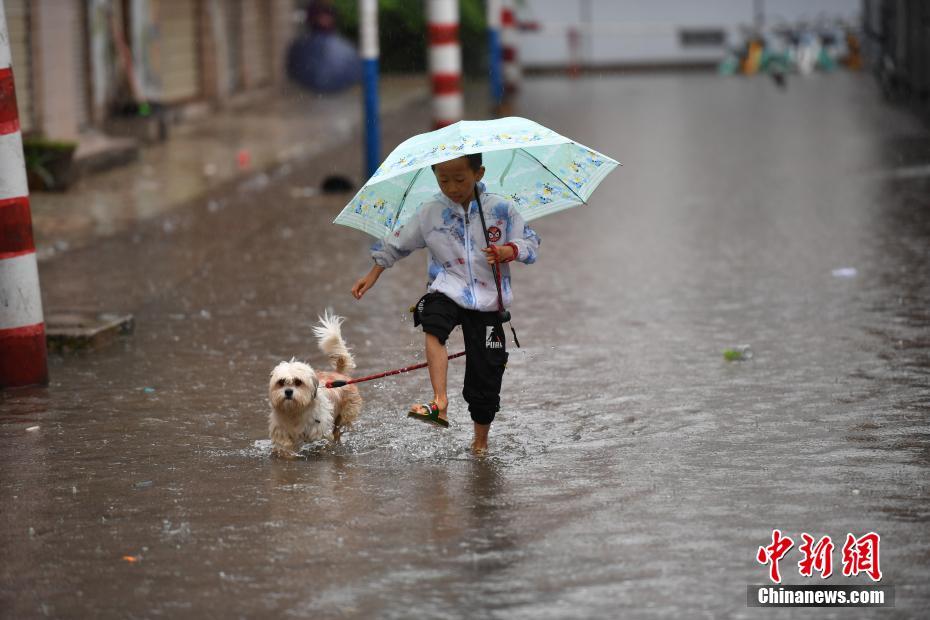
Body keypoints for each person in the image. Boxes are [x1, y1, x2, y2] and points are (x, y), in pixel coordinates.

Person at [351, 153, 540, 453]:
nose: (452, 187)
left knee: (486, 378)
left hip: (490, 302)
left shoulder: (502, 209)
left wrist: (509, 250)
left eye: (460, 179)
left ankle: (480, 443)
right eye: (443, 180)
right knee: (432, 317)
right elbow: (398, 243)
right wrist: (373, 274)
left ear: (479, 173)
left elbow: (531, 245)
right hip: (447, 287)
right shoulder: (430, 213)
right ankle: (440, 402)